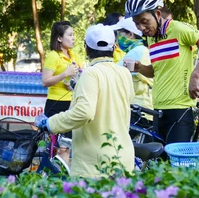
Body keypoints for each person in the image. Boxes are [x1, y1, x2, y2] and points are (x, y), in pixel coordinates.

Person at [36, 24, 134, 177]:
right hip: (122, 157)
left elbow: (84, 112)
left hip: (96, 165)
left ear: (86, 49)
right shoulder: (124, 73)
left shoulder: (91, 73)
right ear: (114, 48)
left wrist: (50, 123)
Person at [124, 0, 199, 143]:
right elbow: (156, 71)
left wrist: (195, 75)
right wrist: (140, 68)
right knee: (161, 166)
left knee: (177, 166)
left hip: (179, 109)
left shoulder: (177, 29)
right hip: (158, 109)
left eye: (144, 21)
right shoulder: (151, 39)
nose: (141, 28)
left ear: (157, 14)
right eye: (137, 24)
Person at [41, 21, 84, 160]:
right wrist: (64, 74)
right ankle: (49, 176)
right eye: (70, 35)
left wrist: (73, 81)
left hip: (72, 104)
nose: (73, 38)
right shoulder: (53, 56)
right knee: (54, 146)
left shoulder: (75, 56)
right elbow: (45, 81)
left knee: (66, 145)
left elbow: (80, 76)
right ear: (59, 38)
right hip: (56, 103)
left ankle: (61, 178)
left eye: (74, 35)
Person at [111, 17, 154, 124]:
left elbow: (114, 74)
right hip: (144, 108)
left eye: (119, 34)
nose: (117, 38)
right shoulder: (141, 50)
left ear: (130, 34)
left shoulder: (137, 52)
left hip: (138, 111)